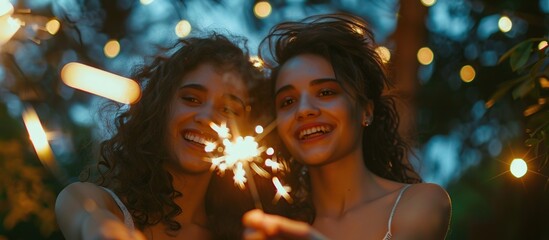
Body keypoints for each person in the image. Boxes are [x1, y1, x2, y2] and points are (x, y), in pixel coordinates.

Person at [243, 13, 452, 240]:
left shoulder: (419, 203)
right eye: (288, 101)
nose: (303, 110)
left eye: (325, 92)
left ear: (366, 111)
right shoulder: (273, 225)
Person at [55, 33, 264, 239]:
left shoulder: (247, 232)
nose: (207, 117)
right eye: (192, 99)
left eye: (228, 110)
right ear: (161, 107)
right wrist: (108, 231)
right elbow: (92, 221)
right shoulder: (94, 202)